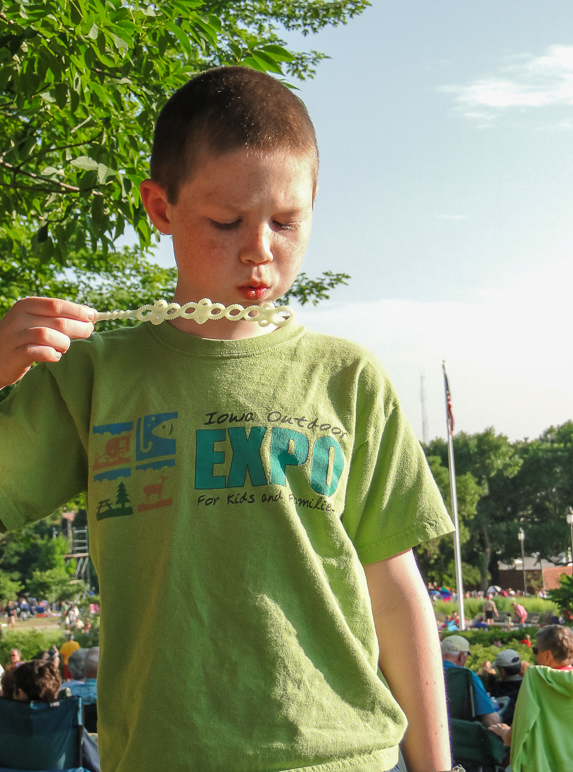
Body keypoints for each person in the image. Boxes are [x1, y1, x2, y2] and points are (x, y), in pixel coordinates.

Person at [0, 66, 455, 772]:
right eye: (225, 221)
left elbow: (394, 592)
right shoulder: (91, 374)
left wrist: (436, 766)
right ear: (159, 208)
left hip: (345, 755)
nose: (259, 250)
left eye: (285, 221)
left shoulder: (348, 377)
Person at [441, 635, 501, 726]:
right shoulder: (467, 676)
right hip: (461, 735)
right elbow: (490, 720)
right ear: (461, 656)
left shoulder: (425, 672)